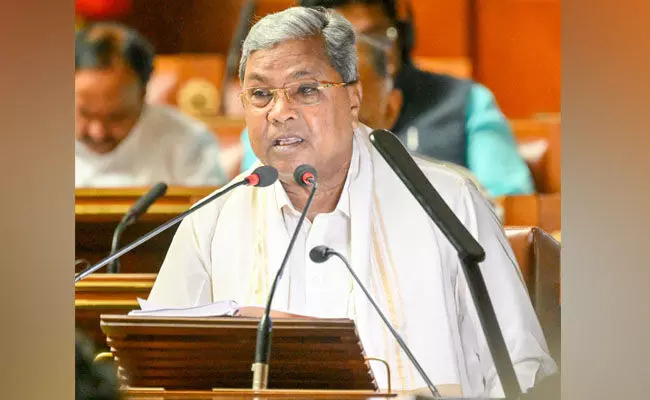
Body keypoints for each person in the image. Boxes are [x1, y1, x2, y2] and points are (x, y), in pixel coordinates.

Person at [146, 7, 556, 397]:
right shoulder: (213, 220)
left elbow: (521, 368)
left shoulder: (447, 202)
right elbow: (159, 362)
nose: (279, 112)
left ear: (353, 99)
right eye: (260, 94)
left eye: (306, 90)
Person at [242, 0, 535, 197]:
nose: (356, 55)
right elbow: (260, 198)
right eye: (338, 44)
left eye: (374, 37)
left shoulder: (464, 101)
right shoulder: (278, 113)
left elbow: (508, 205)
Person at [75, 22, 227, 188]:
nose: (98, 133)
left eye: (116, 117)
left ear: (143, 95)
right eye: (85, 113)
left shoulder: (189, 142)